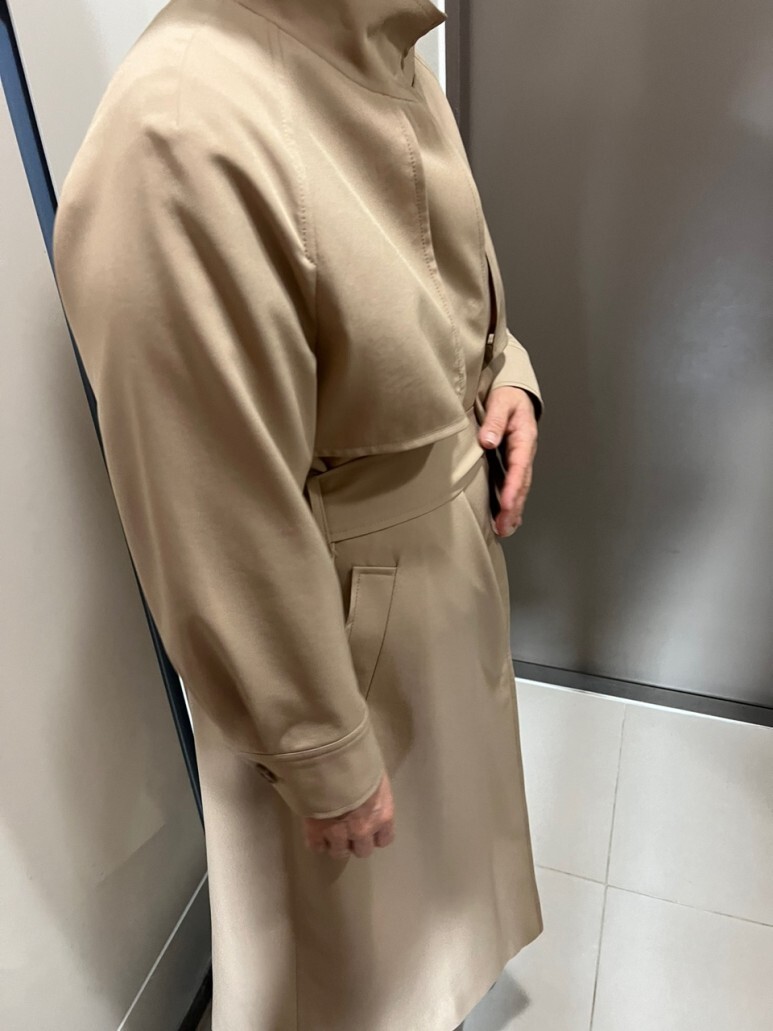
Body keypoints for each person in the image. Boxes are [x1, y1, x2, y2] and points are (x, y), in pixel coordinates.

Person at [53, 1, 544, 1028]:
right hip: (333, 645)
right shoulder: (177, 124)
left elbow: (441, 273)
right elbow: (206, 500)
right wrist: (317, 743)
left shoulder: (375, 37)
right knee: (342, 980)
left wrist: (506, 371)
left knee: (427, 942)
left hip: (434, 586)